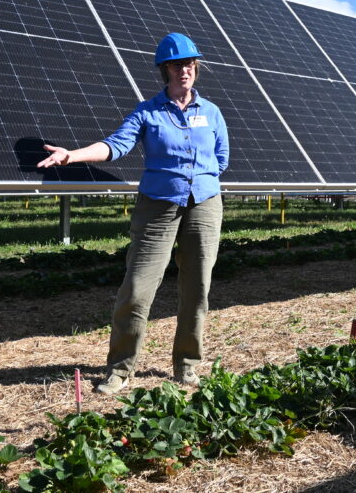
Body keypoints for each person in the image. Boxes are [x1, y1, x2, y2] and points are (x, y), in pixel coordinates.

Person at [37, 32, 229, 394]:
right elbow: (116, 146)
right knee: (138, 289)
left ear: (196, 68)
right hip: (158, 205)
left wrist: (199, 181)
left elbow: (221, 159)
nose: (184, 70)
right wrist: (71, 155)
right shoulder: (148, 111)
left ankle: (187, 365)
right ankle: (120, 369)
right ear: (165, 70)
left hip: (204, 204)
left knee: (197, 287)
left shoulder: (213, 113)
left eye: (189, 64)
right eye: (176, 65)